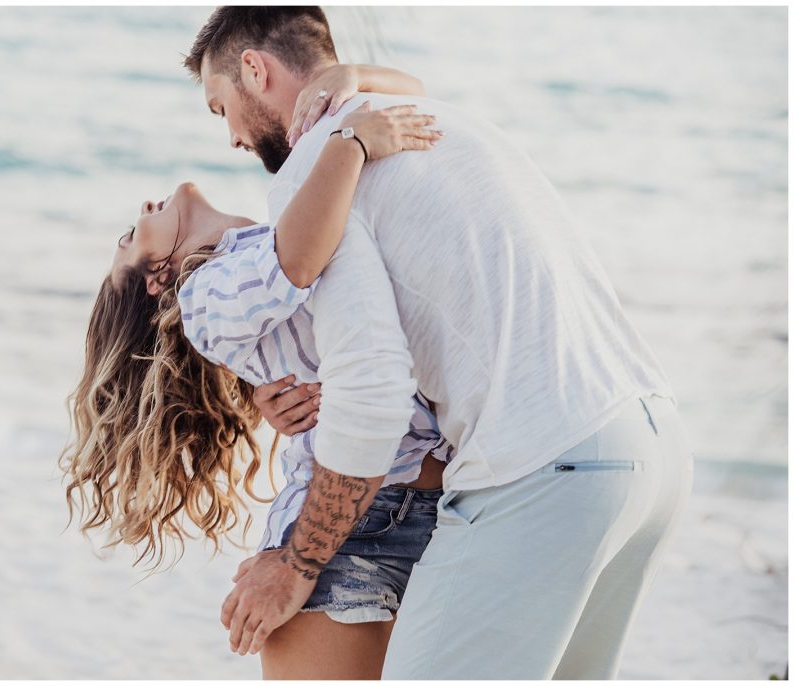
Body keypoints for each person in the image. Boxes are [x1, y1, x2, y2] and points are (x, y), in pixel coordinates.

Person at [185, 6, 694, 679]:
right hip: (650, 450)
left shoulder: (318, 170)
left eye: (222, 108)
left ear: (256, 70)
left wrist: (297, 563)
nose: (232, 139)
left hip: (546, 469)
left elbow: (374, 394)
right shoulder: (438, 122)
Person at [59, 68, 451, 679]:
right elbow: (296, 259)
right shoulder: (206, 297)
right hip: (339, 534)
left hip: (433, 507)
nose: (140, 210)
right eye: (128, 237)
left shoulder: (250, 264)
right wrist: (353, 142)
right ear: (159, 278)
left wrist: (348, 79)